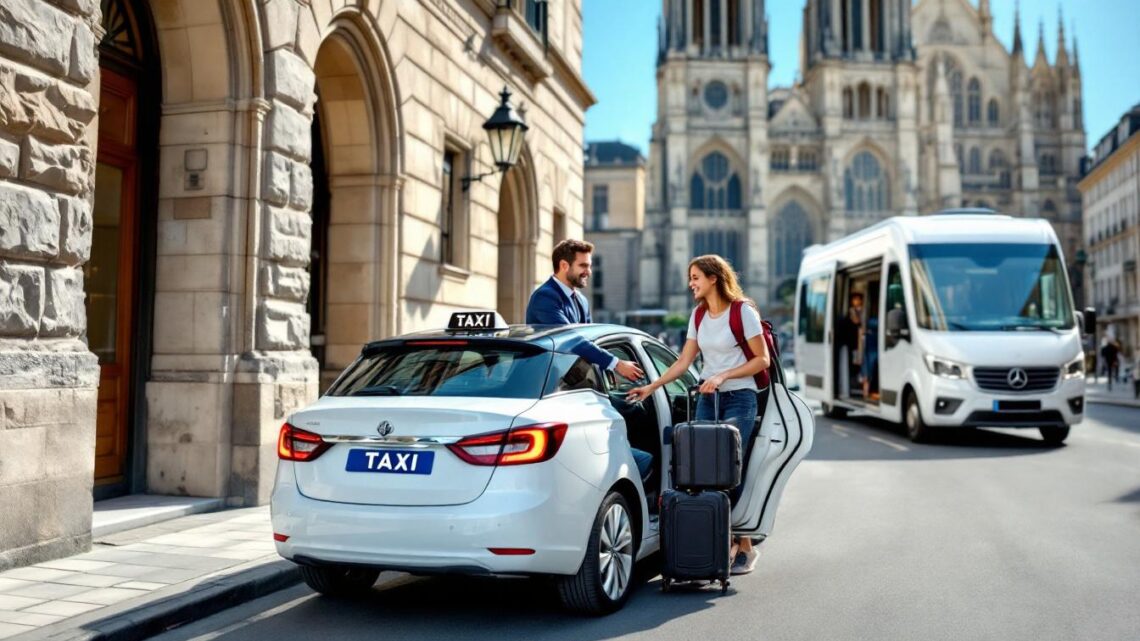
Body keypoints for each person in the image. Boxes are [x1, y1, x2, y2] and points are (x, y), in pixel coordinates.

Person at [625, 254, 770, 576]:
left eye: (695, 277)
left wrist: (722, 376)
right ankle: (724, 541)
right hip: (708, 400)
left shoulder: (742, 311)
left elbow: (762, 360)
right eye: (690, 278)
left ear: (713, 278)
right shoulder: (699, 315)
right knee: (704, 471)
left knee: (728, 470)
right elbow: (683, 362)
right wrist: (652, 386)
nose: (691, 283)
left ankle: (740, 543)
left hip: (739, 399)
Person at [525, 239, 652, 479]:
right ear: (564, 265)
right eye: (583, 265)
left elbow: (592, 342)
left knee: (636, 410)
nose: (589, 271)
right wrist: (616, 364)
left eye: (589, 265)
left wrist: (608, 378)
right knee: (640, 459)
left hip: (581, 388)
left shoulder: (580, 300)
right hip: (554, 391)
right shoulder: (545, 298)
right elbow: (571, 341)